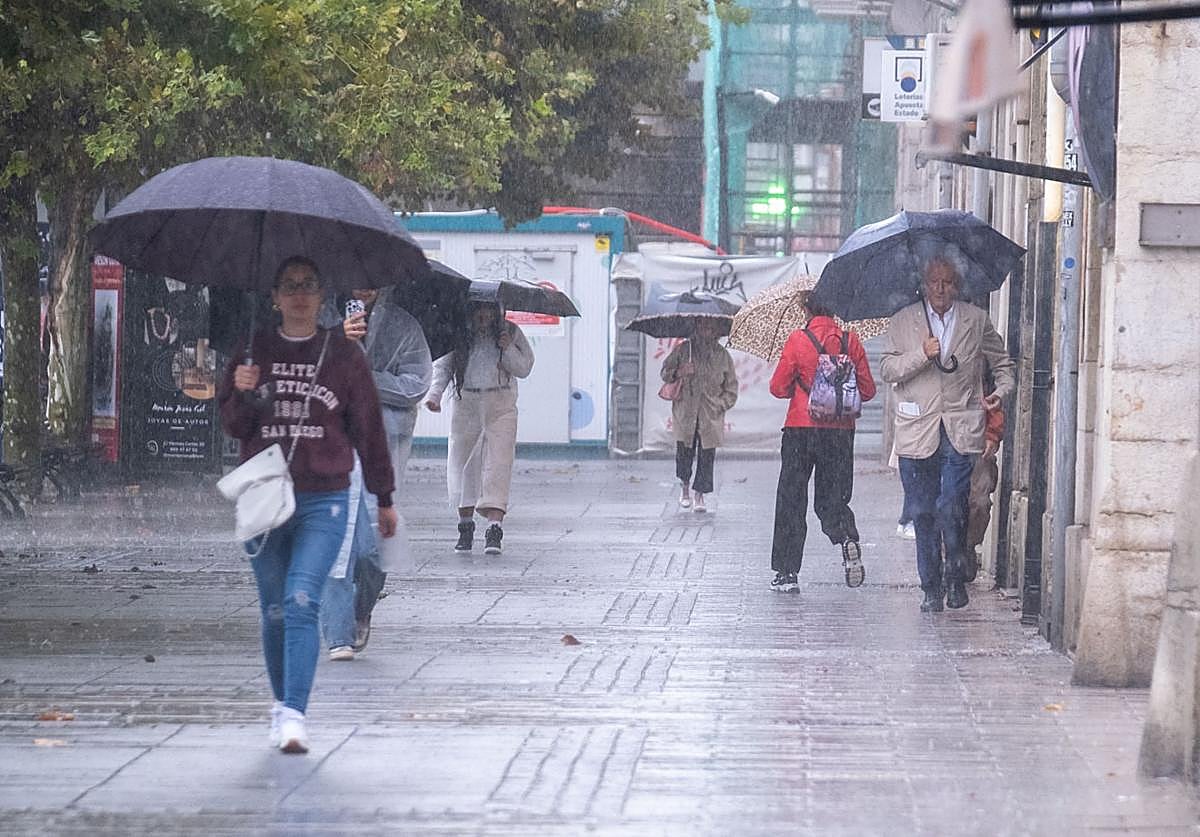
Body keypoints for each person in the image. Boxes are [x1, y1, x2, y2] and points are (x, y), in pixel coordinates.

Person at [219, 256, 397, 754]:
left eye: (309, 285)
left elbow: (369, 429)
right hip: (264, 496)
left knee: (301, 599)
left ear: (322, 297)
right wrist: (244, 393)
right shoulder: (252, 350)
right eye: (290, 285)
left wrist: (384, 496)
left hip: (325, 497)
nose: (299, 293)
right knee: (274, 608)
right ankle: (282, 705)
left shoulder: (343, 355)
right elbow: (233, 426)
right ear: (274, 296)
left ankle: (295, 713)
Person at [880, 255, 1014, 613]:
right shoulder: (903, 321)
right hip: (916, 430)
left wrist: (999, 392)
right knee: (922, 510)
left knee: (952, 504)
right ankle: (930, 587)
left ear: (957, 285)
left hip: (961, 427)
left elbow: (1003, 365)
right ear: (924, 284)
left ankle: (956, 574)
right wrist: (921, 355)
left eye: (948, 282)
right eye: (934, 282)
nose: (941, 289)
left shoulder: (975, 319)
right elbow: (888, 370)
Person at [319, 287, 432, 660]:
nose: (364, 286)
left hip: (380, 445)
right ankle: (338, 635)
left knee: (372, 547)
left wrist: (369, 379)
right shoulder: (323, 319)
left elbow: (416, 383)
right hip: (329, 444)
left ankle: (361, 608)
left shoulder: (404, 327)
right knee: (333, 541)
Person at [767, 298, 877, 592]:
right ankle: (846, 537)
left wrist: (802, 384)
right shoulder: (849, 340)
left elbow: (777, 387)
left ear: (806, 308)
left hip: (801, 428)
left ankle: (787, 573)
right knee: (832, 498)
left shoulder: (797, 340)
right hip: (839, 433)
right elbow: (867, 390)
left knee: (792, 499)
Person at [425, 300, 534, 555]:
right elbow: (444, 366)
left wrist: (507, 349)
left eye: (488, 309)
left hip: (501, 405)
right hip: (468, 404)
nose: (483, 315)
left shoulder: (511, 331)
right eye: (478, 309)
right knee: (463, 464)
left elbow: (525, 367)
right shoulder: (459, 334)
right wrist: (435, 395)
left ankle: (494, 528)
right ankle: (465, 525)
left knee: (498, 464)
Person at [660, 318, 739, 513]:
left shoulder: (723, 356)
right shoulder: (683, 350)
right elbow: (665, 373)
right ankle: (685, 488)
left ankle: (700, 495)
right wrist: (680, 371)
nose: (707, 330)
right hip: (685, 413)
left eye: (711, 327)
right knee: (684, 452)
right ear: (696, 328)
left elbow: (731, 389)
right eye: (703, 326)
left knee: (706, 456)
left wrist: (719, 405)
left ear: (717, 331)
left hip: (709, 416)